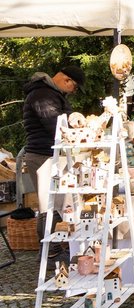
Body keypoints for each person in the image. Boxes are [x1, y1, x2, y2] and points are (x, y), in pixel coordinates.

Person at [21, 65, 85, 264]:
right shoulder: (43, 95)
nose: (73, 91)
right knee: (49, 206)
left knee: (54, 204)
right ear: (66, 81)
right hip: (43, 157)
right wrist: (75, 128)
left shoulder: (48, 93)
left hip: (47, 155)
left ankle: (53, 250)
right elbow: (55, 126)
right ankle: (51, 252)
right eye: (74, 87)